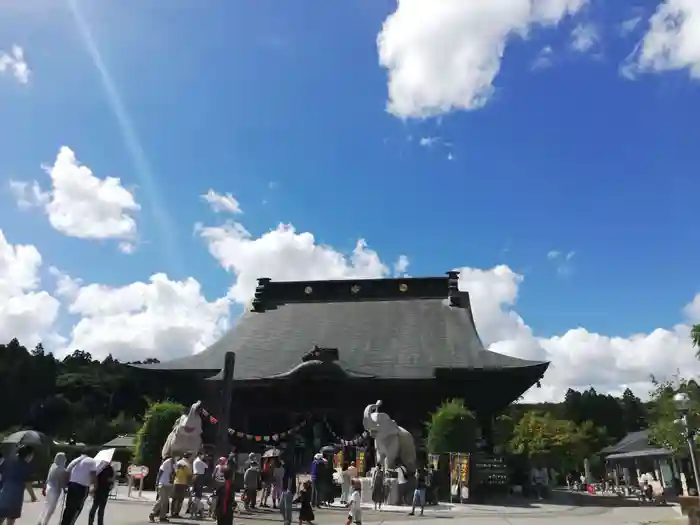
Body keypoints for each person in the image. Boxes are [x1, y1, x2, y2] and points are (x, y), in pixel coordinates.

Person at [0, 445, 35, 525]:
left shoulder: (7, 461)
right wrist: (33, 496)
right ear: (28, 455)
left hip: (3, 494)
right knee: (11, 520)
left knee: (1, 517)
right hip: (15, 498)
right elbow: (28, 483)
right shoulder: (26, 466)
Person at [60, 453, 97, 525]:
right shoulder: (91, 461)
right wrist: (95, 486)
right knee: (77, 509)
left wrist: (65, 485)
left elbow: (67, 472)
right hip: (82, 487)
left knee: (68, 508)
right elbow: (93, 475)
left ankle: (64, 523)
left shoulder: (75, 460)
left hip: (71, 485)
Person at [39, 452, 68, 525]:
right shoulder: (62, 470)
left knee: (46, 505)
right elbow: (62, 482)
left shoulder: (53, 465)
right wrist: (65, 489)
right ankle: (45, 522)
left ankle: (40, 520)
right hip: (55, 490)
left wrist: (44, 487)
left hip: (49, 487)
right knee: (51, 508)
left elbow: (48, 477)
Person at [149, 455, 175, 523]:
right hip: (163, 484)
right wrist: (157, 483)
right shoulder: (168, 461)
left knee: (164, 501)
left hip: (169, 484)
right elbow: (160, 472)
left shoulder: (176, 463)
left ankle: (161, 516)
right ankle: (153, 514)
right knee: (163, 500)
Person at [88, 461, 114, 525]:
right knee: (95, 507)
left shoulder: (109, 468)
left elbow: (112, 479)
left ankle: (99, 523)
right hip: (99, 489)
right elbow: (95, 477)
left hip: (105, 490)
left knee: (101, 508)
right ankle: (92, 522)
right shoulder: (100, 467)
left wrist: (111, 482)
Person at [171, 454, 192, 518]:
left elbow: (173, 472)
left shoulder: (178, 462)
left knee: (174, 499)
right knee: (180, 499)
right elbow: (189, 474)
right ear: (189, 457)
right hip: (182, 483)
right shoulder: (186, 464)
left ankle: (172, 512)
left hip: (176, 482)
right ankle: (176, 513)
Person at [190, 452, 208, 517]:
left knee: (195, 494)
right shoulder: (199, 461)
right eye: (203, 455)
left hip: (195, 476)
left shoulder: (195, 460)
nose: (203, 456)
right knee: (198, 494)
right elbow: (207, 466)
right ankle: (195, 510)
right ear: (200, 455)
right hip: (199, 477)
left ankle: (194, 510)